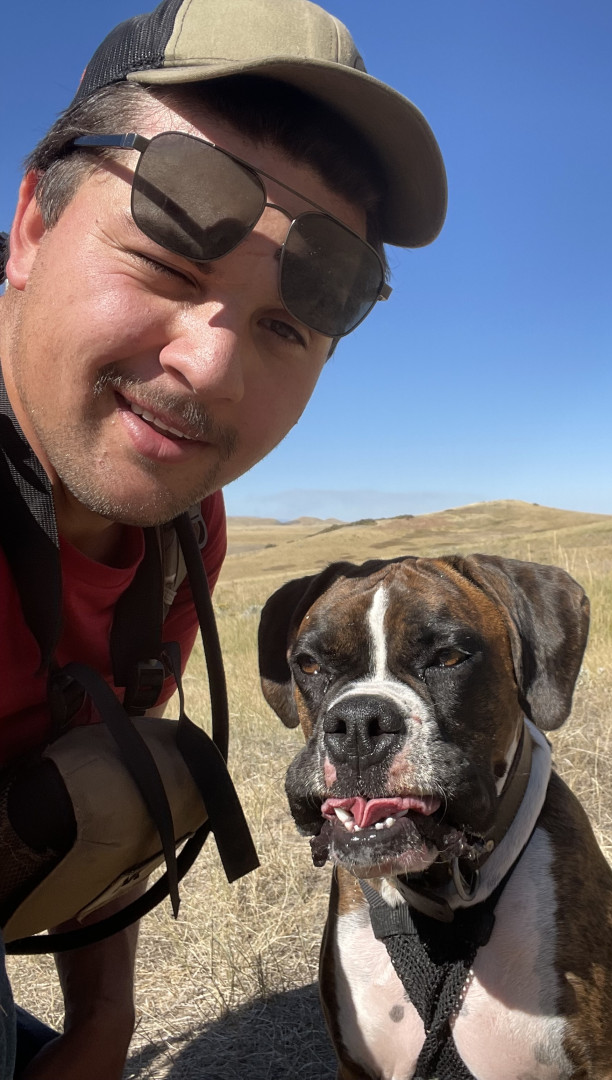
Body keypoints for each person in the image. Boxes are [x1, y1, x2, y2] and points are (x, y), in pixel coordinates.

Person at [0, 0, 446, 1075]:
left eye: (286, 325)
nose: (210, 369)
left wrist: (102, 1027)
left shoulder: (179, 529)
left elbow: (99, 758)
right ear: (31, 229)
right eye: (166, 260)